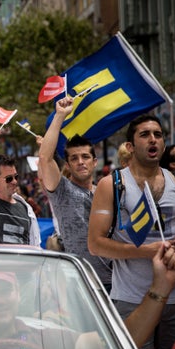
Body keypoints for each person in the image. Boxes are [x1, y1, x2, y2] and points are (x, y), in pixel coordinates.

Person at [0, 242, 175, 349]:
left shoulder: (48, 339)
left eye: (4, 290)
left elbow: (121, 345)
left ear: (18, 294)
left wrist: (161, 287)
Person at [88, 114, 175, 349]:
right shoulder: (112, 184)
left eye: (158, 135)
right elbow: (95, 244)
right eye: (145, 135)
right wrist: (147, 251)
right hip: (132, 299)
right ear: (130, 146)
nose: (153, 140)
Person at [38, 97, 112, 291]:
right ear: (68, 165)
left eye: (85, 157)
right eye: (74, 158)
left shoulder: (106, 192)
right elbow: (45, 158)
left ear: (95, 162)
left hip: (118, 281)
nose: (80, 162)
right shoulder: (61, 190)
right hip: (81, 282)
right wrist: (60, 115)